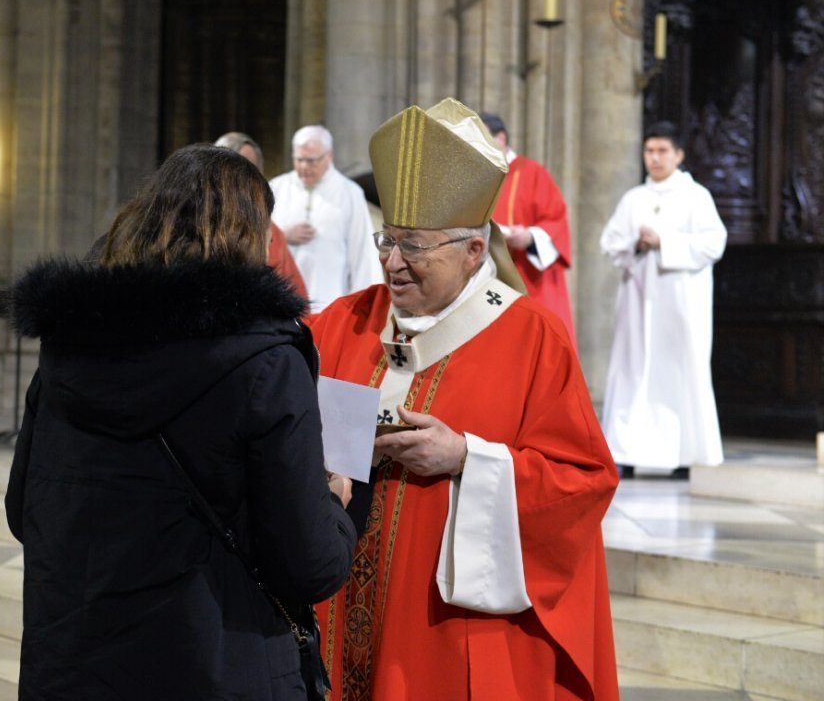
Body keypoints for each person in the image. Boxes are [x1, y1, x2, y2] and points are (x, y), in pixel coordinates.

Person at [5, 144, 358, 700]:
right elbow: (308, 565)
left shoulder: (68, 345)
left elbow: (24, 510)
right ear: (248, 237)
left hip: (76, 666)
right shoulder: (264, 360)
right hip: (215, 666)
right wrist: (336, 508)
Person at [308, 99, 619, 700]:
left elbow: (584, 483)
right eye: (387, 240)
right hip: (336, 612)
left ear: (474, 250)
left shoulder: (533, 338)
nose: (392, 263)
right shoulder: (345, 322)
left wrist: (467, 459)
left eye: (415, 247)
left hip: (449, 636)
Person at [600, 121, 727, 478]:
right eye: (649, 151)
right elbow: (610, 243)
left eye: (661, 151)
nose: (654, 159)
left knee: (680, 370)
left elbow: (713, 243)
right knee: (633, 369)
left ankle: (686, 455)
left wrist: (664, 241)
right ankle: (625, 451)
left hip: (680, 303)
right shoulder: (633, 199)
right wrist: (637, 244)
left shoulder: (695, 197)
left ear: (678, 155)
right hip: (638, 302)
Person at [480, 113, 577, 342]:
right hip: (485, 282)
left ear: (500, 139)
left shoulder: (532, 173)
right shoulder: (474, 179)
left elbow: (556, 222)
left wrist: (530, 236)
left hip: (528, 279)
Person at [270, 125, 382, 312]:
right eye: (299, 159)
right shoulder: (277, 188)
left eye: (312, 161)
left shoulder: (349, 193)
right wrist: (283, 235)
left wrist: (363, 306)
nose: (304, 167)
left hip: (330, 302)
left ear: (329, 156)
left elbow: (363, 254)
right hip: (283, 302)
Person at [215, 131, 309, 298]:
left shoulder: (272, 233)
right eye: (237, 168)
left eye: (252, 169)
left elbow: (295, 295)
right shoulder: (195, 223)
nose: (245, 178)